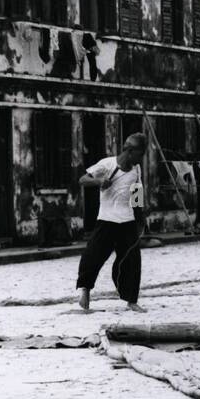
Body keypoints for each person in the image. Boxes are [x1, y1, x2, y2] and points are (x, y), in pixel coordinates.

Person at [75, 132, 148, 312]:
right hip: (106, 220)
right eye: (141, 153)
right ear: (130, 151)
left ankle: (131, 300)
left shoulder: (136, 170)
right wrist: (99, 181)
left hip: (128, 221)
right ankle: (85, 291)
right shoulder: (107, 164)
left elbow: (136, 193)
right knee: (93, 257)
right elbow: (83, 179)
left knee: (132, 261)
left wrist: (140, 217)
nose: (142, 158)